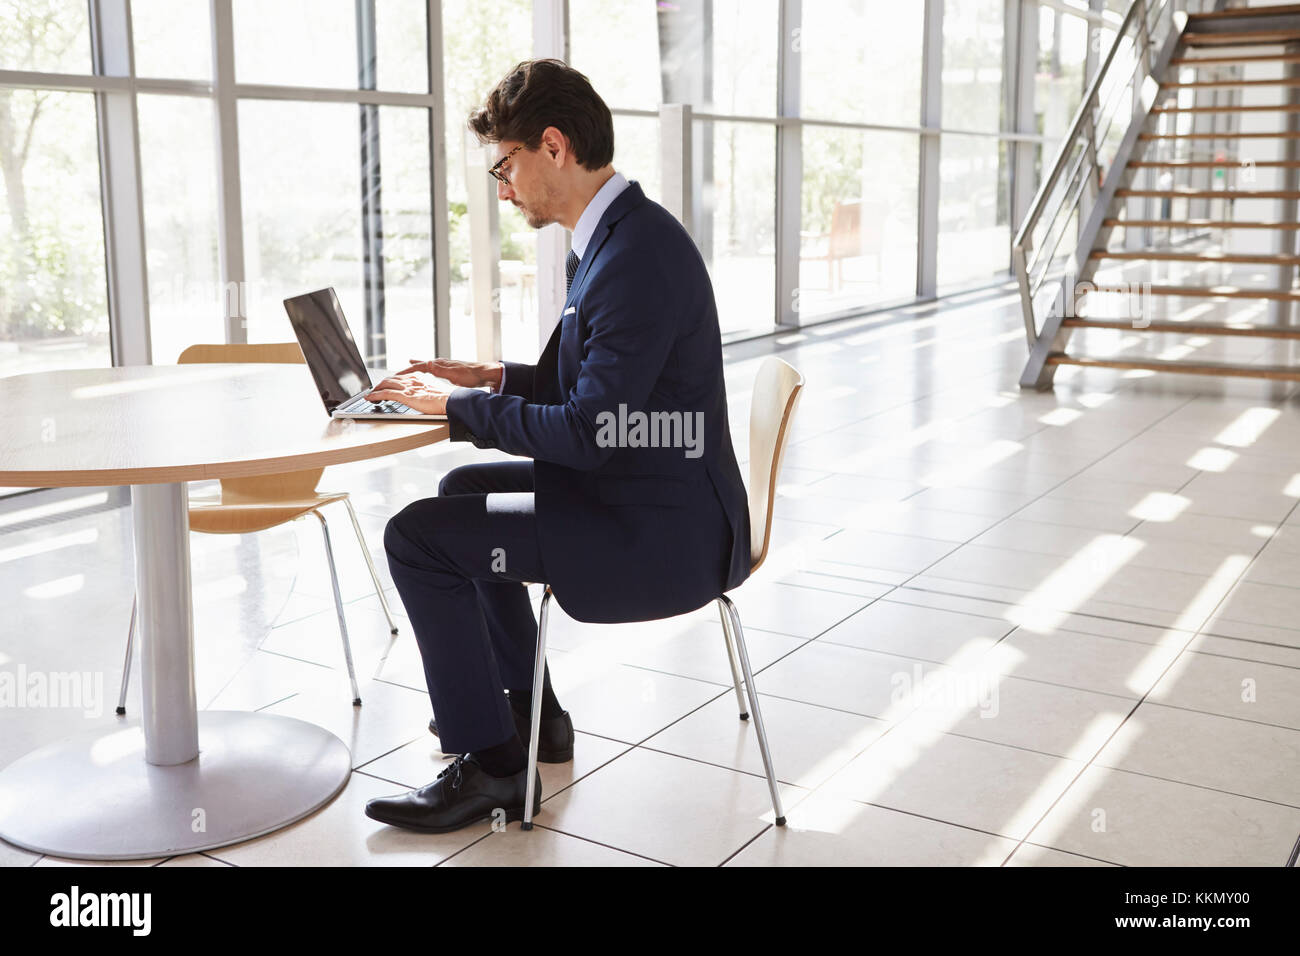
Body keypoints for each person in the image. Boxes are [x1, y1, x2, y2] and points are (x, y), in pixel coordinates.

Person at [361, 58, 750, 834]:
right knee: (461, 493)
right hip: (648, 493)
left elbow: (588, 433)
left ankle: (497, 768)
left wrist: (461, 407)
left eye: (504, 165)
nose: (503, 187)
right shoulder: (615, 237)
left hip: (659, 532)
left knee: (414, 540)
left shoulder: (633, 259)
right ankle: (532, 713)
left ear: (552, 145)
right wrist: (497, 376)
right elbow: (598, 389)